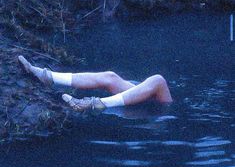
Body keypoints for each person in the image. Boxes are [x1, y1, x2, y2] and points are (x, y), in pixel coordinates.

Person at [18, 55, 173, 115]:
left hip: (163, 108)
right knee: (110, 77)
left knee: (158, 80)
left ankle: (96, 104)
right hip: (150, 98)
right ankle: (47, 76)